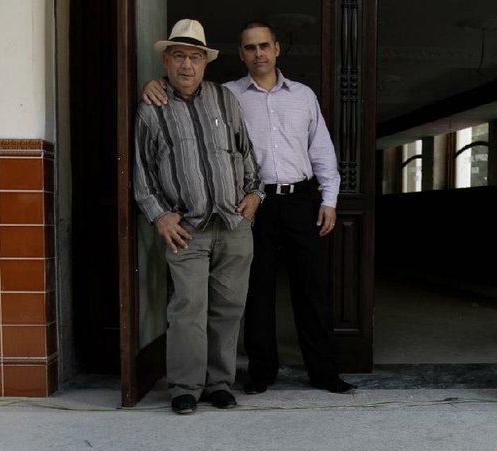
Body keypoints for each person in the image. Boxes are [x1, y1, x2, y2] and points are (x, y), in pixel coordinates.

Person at [143, 21, 356, 395]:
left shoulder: (303, 96)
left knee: (312, 289)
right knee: (255, 292)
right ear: (240, 54)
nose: (258, 53)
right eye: (249, 48)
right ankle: (261, 371)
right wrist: (154, 84)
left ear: (276, 49)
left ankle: (324, 372)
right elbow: (181, 90)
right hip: (250, 206)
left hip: (297, 201)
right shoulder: (226, 95)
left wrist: (329, 199)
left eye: (264, 46)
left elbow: (321, 149)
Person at [133, 19, 264, 414]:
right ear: (166, 61)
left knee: (229, 308)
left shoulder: (225, 100)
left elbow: (245, 153)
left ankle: (219, 383)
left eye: (194, 57)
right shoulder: (152, 109)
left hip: (234, 224)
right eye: (178, 56)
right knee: (188, 309)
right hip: (186, 229)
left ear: (205, 63)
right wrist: (160, 217)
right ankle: (184, 388)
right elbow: (142, 172)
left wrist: (255, 194)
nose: (186, 65)